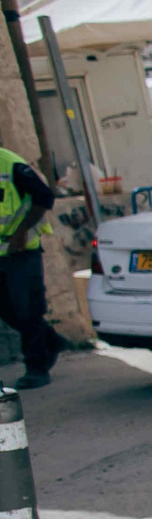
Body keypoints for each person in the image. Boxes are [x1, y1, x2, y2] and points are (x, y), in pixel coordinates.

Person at [0, 141, 60, 389]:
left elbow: (44, 197)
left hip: (22, 252)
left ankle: (37, 367)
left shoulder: (9, 162)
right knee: (7, 311)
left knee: (28, 310)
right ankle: (52, 342)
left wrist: (22, 232)